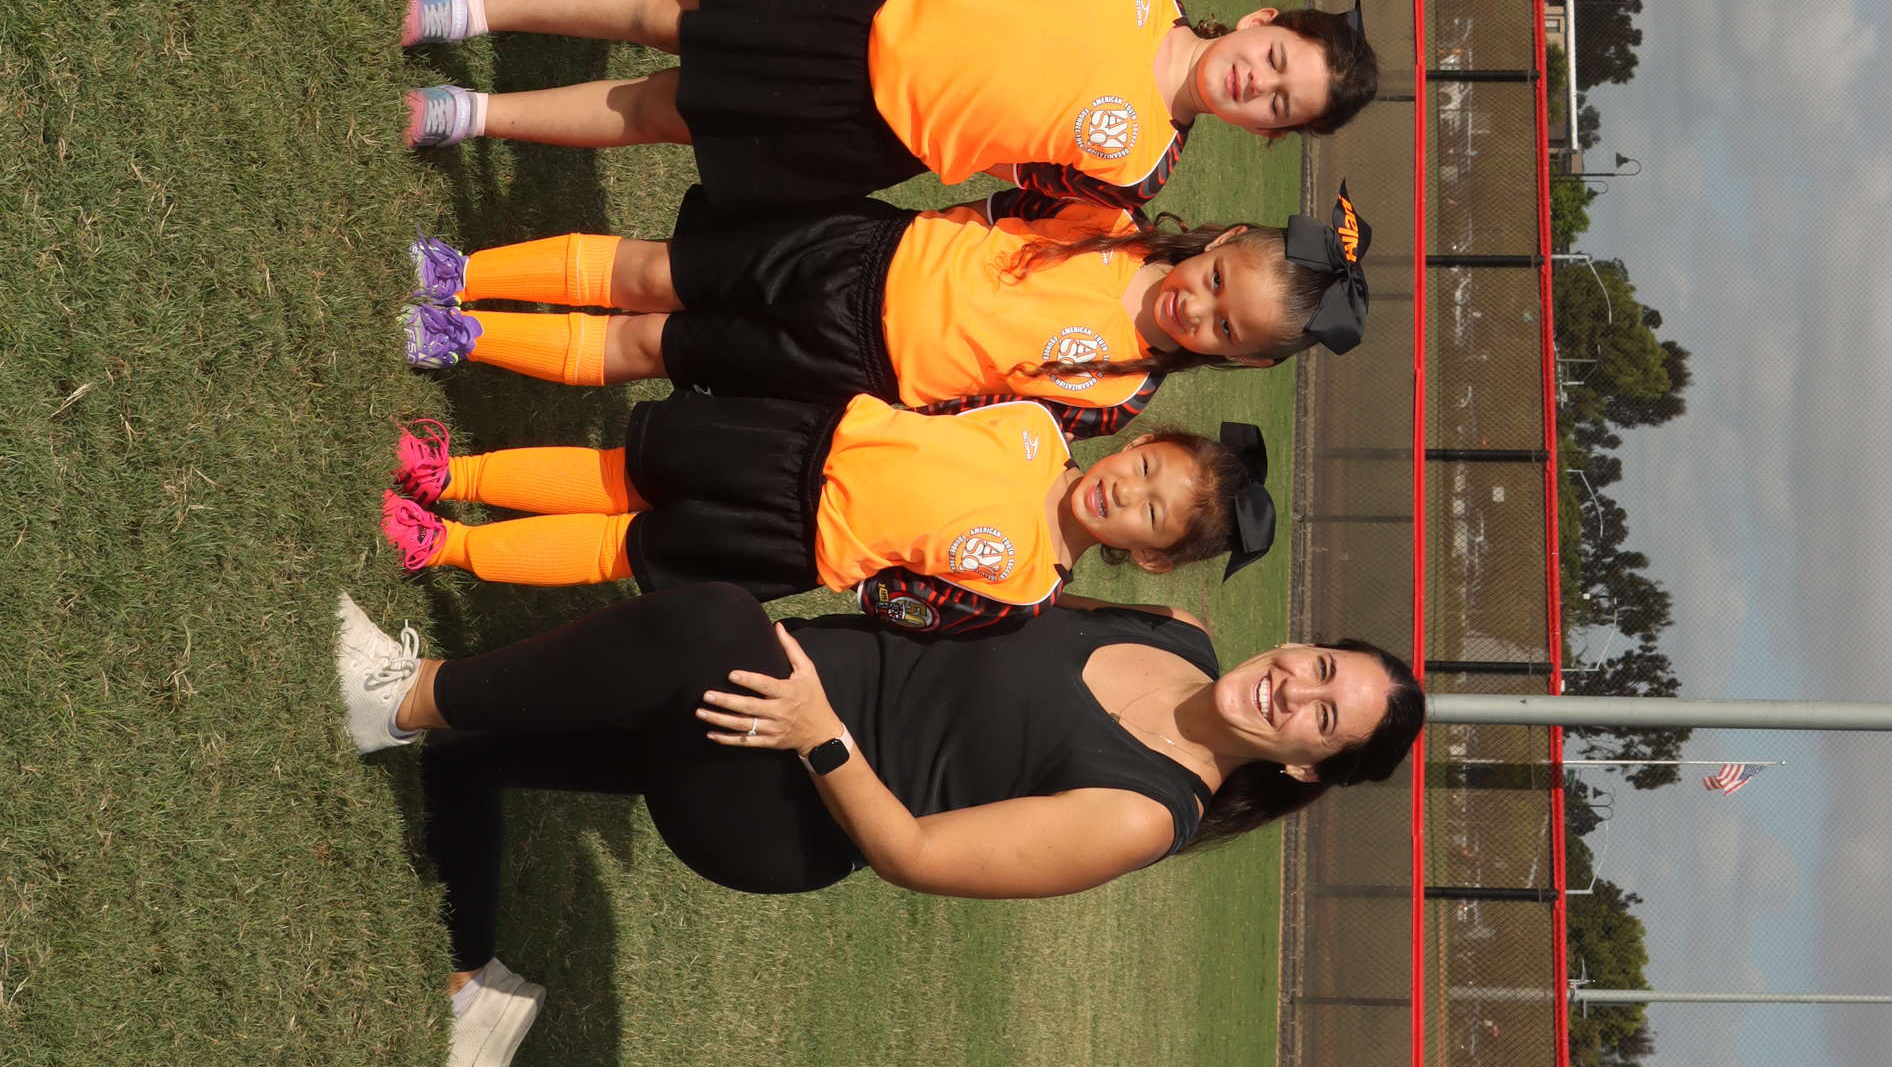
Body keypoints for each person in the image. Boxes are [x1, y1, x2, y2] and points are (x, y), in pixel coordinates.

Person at [332, 581, 1425, 1067]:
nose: (1295, 687)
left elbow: (914, 852)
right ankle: (474, 989)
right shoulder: (1176, 628)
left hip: (783, 808)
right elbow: (989, 608)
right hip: (773, 705)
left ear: (1303, 766)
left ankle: (397, 697)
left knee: (704, 625)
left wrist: (816, 727)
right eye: (1321, 665)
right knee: (475, 756)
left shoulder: (1147, 812)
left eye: (1322, 717)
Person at [400, 0, 1379, 216]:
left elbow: (1012, 193)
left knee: (666, 112)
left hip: (865, 129)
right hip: (863, 7)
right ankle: (469, 9)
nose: (1257, 83)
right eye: (1276, 60)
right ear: (1262, 22)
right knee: (670, 11)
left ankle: (470, 112)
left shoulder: (1139, 172)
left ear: (1264, 133)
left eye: (1278, 104)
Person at [399, 189, 1373, 436]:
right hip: (861, 250)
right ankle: (464, 271)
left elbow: (991, 426)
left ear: (1243, 361)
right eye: (1217, 280)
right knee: (659, 272)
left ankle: (465, 336)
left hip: (849, 361)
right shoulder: (1109, 220)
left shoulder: (1117, 396)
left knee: (655, 344)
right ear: (1219, 238)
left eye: (1225, 328)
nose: (1198, 307)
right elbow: (998, 204)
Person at [377, 400, 1271, 633]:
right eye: (1145, 468)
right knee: (622, 473)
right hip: (791, 445)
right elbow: (932, 399)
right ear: (1140, 441)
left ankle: (444, 544)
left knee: (627, 546)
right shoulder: (1035, 425)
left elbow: (913, 608)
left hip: (792, 544)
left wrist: (856, 566)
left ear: (1150, 558)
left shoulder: (1029, 589)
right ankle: (451, 472)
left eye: (1150, 514)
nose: (1126, 491)